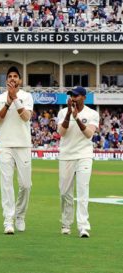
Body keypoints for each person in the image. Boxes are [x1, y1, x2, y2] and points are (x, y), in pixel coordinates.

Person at [0, 66, 34, 235]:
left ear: (20, 80)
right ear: (6, 80)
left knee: (26, 185)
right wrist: (8, 102)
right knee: (6, 184)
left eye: (15, 76)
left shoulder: (27, 96)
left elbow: (26, 117)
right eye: (10, 76)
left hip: (23, 144)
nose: (13, 79)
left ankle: (20, 215)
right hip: (5, 145)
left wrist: (15, 99)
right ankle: (8, 220)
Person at [57, 86, 99, 238]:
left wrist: (77, 118)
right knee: (64, 193)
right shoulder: (62, 112)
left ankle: (83, 226)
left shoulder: (92, 114)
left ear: (84, 97)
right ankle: (66, 223)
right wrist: (69, 114)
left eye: (76, 96)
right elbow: (61, 132)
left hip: (84, 155)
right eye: (71, 95)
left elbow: (89, 134)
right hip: (66, 155)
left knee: (82, 191)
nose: (73, 98)